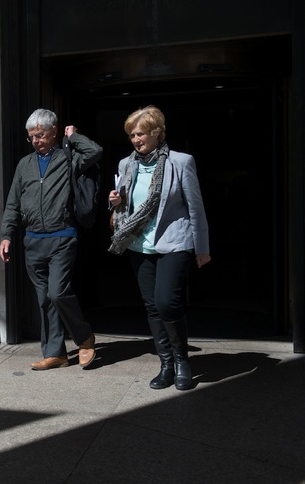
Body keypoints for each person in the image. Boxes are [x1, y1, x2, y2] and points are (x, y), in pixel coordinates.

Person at [108, 105, 211, 390]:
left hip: (174, 242)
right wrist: (116, 203)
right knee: (152, 307)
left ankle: (182, 361)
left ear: (156, 133)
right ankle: (166, 364)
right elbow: (125, 207)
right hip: (139, 244)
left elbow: (195, 206)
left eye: (140, 133)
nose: (135, 139)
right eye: (131, 135)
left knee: (167, 302)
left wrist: (201, 246)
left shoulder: (181, 162)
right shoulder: (126, 165)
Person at [0, 108, 102, 370]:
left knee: (57, 293)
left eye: (41, 135)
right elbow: (13, 203)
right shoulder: (25, 165)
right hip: (32, 241)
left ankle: (85, 338)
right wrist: (6, 235)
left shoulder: (69, 158)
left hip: (62, 238)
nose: (36, 141)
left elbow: (95, 152)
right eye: (32, 137)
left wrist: (75, 136)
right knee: (44, 300)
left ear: (54, 132)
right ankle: (55, 352)